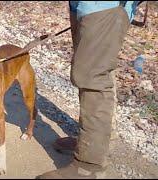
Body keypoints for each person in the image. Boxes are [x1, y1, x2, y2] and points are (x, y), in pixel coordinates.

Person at [37, 1, 142, 179]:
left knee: (92, 75)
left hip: (106, 6)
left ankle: (89, 167)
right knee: (92, 69)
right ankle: (95, 143)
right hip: (86, 5)